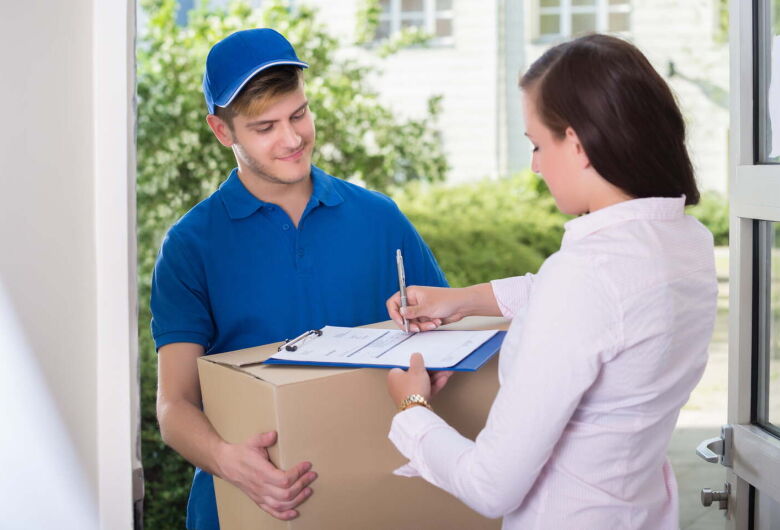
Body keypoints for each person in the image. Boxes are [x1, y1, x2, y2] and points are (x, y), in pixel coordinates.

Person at [385, 34, 717, 529]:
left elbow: (490, 485)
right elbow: (599, 307)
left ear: (577, 145)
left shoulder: (586, 275)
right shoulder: (686, 242)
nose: (536, 165)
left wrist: (411, 408)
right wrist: (463, 300)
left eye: (538, 144)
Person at [151, 28, 447, 530]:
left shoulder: (380, 218)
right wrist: (228, 461)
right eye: (265, 127)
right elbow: (174, 405)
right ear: (222, 131)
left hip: (375, 501)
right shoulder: (191, 245)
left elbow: (446, 338)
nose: (291, 140)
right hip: (245, 508)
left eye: (298, 114)